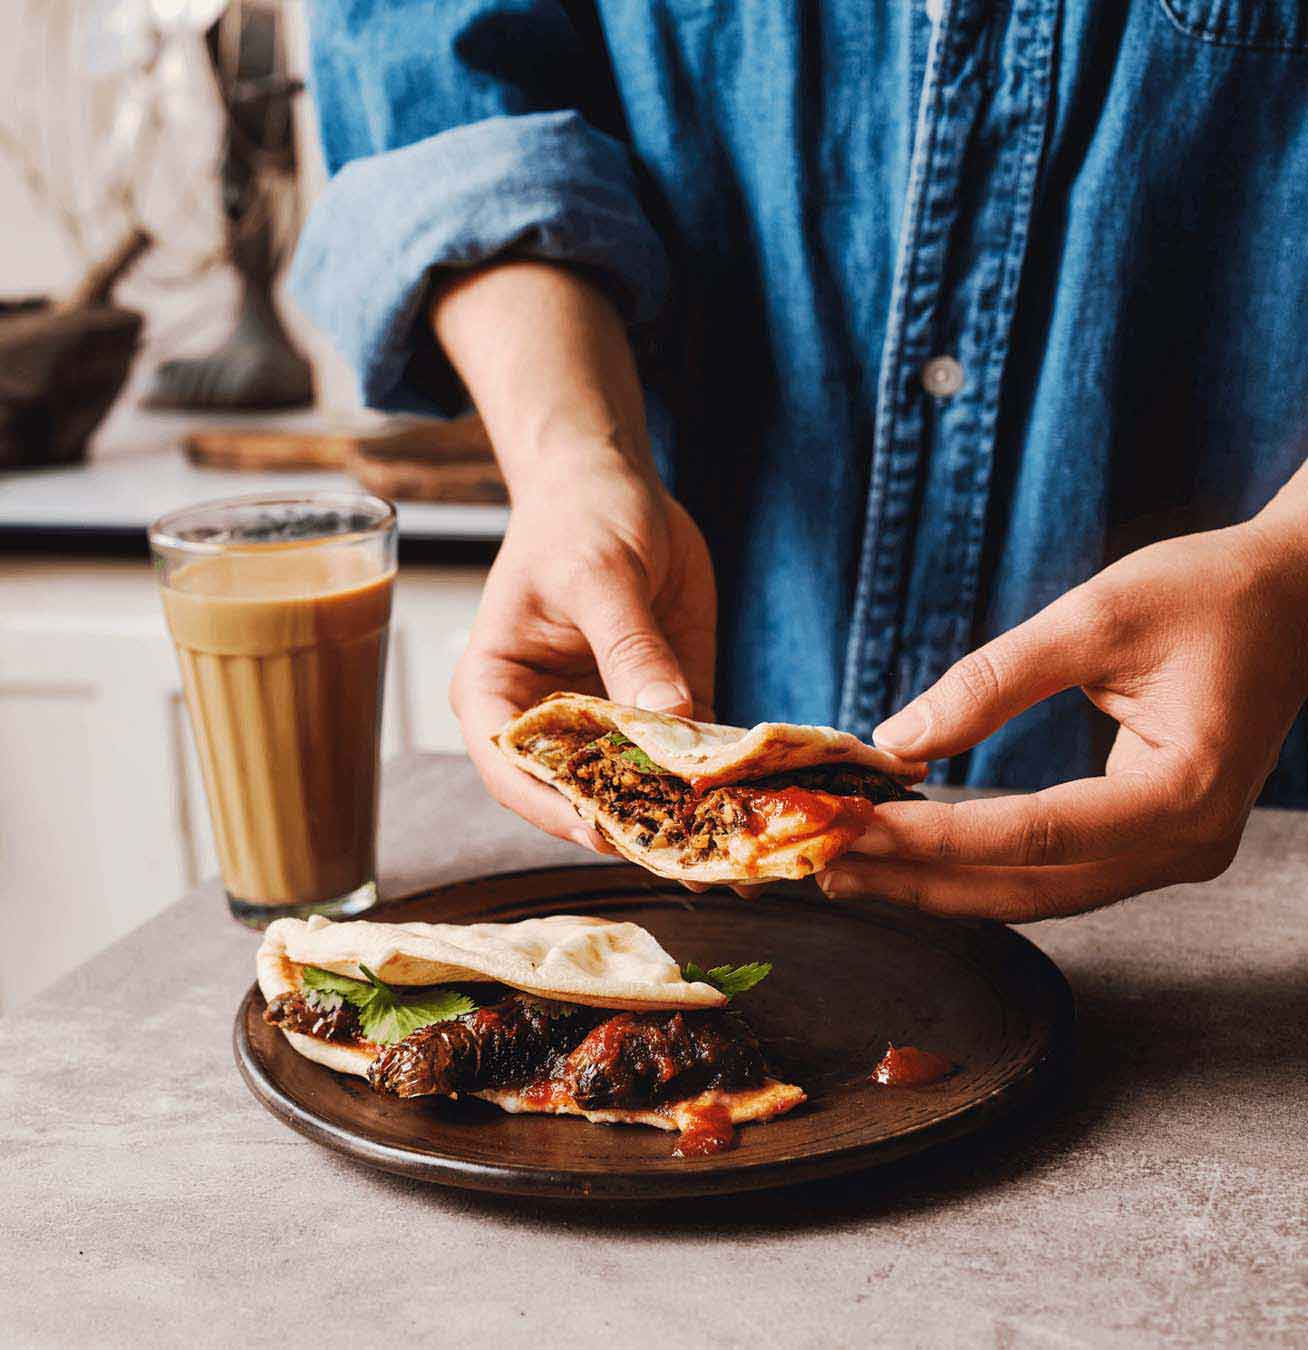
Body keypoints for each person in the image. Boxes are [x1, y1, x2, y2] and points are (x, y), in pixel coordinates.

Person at [290, 1, 1308, 921]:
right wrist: (572, 462)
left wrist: (1291, 569)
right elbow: (440, 75)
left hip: (1264, 867)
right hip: (707, 785)